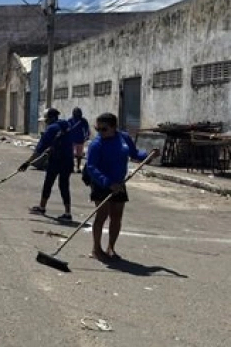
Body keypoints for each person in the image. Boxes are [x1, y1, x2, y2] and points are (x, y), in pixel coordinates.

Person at [85, 112, 158, 261]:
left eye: (104, 129)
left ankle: (111, 247)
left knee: (117, 216)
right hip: (101, 183)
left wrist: (148, 156)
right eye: (97, 129)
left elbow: (135, 153)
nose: (100, 132)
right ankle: (96, 249)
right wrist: (107, 183)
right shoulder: (96, 144)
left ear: (114, 127)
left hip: (119, 183)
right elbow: (91, 167)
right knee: (101, 215)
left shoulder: (123, 138)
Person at [20, 107, 74, 222]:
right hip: (68, 160)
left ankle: (42, 207)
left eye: (46, 120)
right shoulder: (66, 125)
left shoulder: (51, 129)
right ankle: (67, 213)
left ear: (50, 119)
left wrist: (27, 163)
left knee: (48, 183)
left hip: (56, 160)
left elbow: (38, 150)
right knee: (64, 185)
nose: (46, 123)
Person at [68, 107, 91, 173]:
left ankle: (75, 167)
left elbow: (87, 129)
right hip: (75, 139)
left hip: (78, 139)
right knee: (76, 155)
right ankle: (74, 167)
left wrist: (86, 136)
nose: (77, 113)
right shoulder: (72, 120)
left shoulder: (81, 120)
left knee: (77, 155)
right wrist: (86, 136)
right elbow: (87, 130)